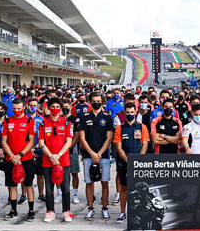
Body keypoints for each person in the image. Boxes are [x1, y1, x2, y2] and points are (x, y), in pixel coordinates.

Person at [78, 92, 115, 221]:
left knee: (105, 183)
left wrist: (99, 154)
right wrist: (92, 153)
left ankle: (105, 208)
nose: (96, 103)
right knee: (89, 183)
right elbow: (82, 138)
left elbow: (109, 138)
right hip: (88, 156)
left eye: (98, 101)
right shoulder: (84, 117)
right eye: (93, 101)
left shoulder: (107, 117)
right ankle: (90, 208)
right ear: (90, 102)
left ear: (102, 102)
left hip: (103, 156)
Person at [1, 97, 37, 221]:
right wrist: (12, 156)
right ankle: (13, 210)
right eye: (14, 109)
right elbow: (4, 141)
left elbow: (31, 141)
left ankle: (31, 210)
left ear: (24, 107)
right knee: (12, 186)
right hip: (10, 159)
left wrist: (20, 155)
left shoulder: (30, 121)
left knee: (28, 184)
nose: (17, 111)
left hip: (26, 158)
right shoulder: (7, 121)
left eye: (19, 108)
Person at [113, 100, 150, 221]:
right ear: (124, 112)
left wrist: (137, 160)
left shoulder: (142, 127)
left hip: (138, 163)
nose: (130, 114)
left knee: (139, 189)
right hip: (123, 162)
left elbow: (145, 144)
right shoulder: (120, 128)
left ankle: (138, 213)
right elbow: (118, 147)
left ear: (136, 112)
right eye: (128, 112)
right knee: (124, 188)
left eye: (132, 112)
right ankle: (122, 212)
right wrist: (128, 160)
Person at [40, 98, 74, 222]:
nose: (55, 109)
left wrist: (58, 155)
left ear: (61, 108)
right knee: (49, 189)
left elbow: (69, 141)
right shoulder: (43, 123)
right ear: (49, 108)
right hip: (48, 161)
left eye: (57, 107)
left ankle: (66, 211)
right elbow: (41, 143)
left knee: (65, 188)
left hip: (63, 160)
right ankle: (50, 211)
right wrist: (51, 156)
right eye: (52, 107)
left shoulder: (67, 123)